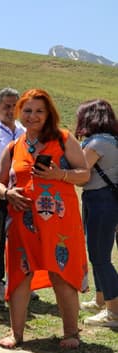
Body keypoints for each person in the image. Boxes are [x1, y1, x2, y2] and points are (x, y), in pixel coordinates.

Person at [0, 89, 89, 349]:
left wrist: (60, 174)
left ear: (49, 114)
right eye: (27, 110)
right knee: (19, 274)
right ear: (19, 113)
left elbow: (84, 174)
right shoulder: (14, 147)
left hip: (59, 222)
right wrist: (8, 193)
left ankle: (71, 333)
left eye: (39, 111)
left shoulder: (63, 139)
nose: (33, 116)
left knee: (62, 273)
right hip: (22, 221)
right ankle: (16, 334)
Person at [74, 99, 118, 328]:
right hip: (105, 199)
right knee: (98, 253)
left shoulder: (98, 143)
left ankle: (114, 310)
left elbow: (79, 169)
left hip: (100, 200)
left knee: (99, 256)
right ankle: (102, 298)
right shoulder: (111, 140)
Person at [0, 88, 26, 311]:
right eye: (6, 106)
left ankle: (20, 283)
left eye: (14, 106)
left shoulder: (23, 131)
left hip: (21, 197)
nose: (11, 111)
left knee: (21, 242)